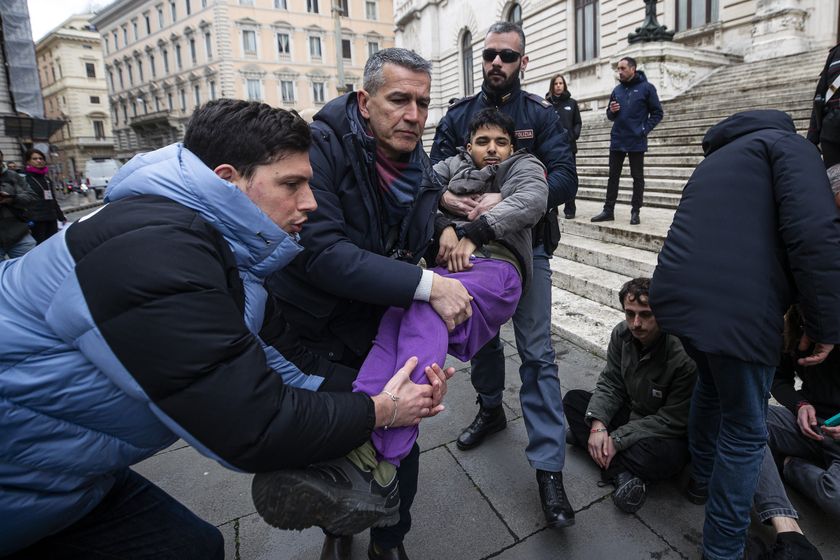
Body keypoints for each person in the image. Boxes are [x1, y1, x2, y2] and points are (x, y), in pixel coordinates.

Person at [0, 99, 452, 558]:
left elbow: (289, 362)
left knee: (196, 546)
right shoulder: (155, 253)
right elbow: (253, 424)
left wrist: (390, 385)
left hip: (66, 472)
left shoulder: (227, 251)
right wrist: (381, 410)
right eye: (291, 185)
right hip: (17, 480)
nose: (311, 203)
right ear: (227, 180)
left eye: (309, 183)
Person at [259, 109, 548, 541]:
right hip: (448, 267)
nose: (492, 150)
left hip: (497, 267)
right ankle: (362, 421)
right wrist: (445, 219)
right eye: (482, 141)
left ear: (513, 146)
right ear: (467, 146)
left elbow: (531, 199)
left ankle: (383, 459)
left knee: (425, 308)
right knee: (400, 310)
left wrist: (475, 229)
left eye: (501, 142)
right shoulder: (448, 166)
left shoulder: (524, 166)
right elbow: (426, 192)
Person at [268, 48, 472, 560]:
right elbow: (324, 255)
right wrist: (429, 285)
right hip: (320, 332)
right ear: (364, 101)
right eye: (399, 99)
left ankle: (389, 539)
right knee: (338, 432)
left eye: (423, 103)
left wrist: (447, 228)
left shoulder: (416, 158)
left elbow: (416, 223)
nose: (414, 115)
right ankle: (338, 528)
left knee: (403, 435)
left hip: (380, 323)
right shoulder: (320, 148)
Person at [650, 109, 840, 560]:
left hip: (679, 300)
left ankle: (700, 479)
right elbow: (813, 234)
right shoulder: (791, 147)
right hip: (737, 309)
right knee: (745, 432)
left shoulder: (718, 158)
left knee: (713, 389)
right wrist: (825, 324)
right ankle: (722, 550)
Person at [430, 21, 579, 530]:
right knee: (484, 343)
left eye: (507, 56)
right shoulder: (457, 117)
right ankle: (491, 408)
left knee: (537, 353)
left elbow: (564, 176)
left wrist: (505, 199)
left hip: (528, 248)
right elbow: (432, 176)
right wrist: (452, 212)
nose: (497, 62)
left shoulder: (541, 115)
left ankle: (549, 469)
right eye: (490, 54)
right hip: (467, 252)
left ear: (523, 62)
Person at [563, 277, 696, 513]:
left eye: (646, 314)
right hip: (631, 413)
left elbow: (673, 419)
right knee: (573, 401)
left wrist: (616, 438)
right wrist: (598, 425)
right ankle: (623, 472)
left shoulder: (683, 354)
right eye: (630, 313)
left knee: (661, 458)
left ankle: (596, 449)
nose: (636, 323)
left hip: (664, 432)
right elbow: (611, 383)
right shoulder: (622, 334)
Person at [747, 304, 833, 560]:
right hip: (807, 422)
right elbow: (779, 378)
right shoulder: (792, 327)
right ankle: (789, 531)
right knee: (742, 422)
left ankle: (788, 463)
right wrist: (800, 404)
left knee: (836, 496)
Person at [591, 56, 663, 225]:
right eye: (618, 69)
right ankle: (608, 211)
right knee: (612, 176)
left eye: (623, 68)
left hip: (636, 140)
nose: (620, 72)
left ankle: (635, 211)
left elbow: (658, 113)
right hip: (617, 139)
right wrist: (612, 111)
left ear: (633, 69)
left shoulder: (647, 88)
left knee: (637, 177)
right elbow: (610, 115)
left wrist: (644, 129)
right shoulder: (617, 90)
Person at [545, 74, 581, 219]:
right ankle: (553, 208)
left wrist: (574, 135)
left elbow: (577, 121)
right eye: (556, 83)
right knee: (551, 178)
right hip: (550, 148)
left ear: (564, 85)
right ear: (552, 86)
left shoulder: (572, 103)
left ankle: (570, 209)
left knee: (568, 177)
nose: (558, 86)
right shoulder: (546, 104)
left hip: (568, 147)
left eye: (561, 83)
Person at [22, 148, 66, 244]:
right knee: (39, 246)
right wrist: (26, 222)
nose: (39, 161)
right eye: (35, 159)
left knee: (52, 244)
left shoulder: (46, 178)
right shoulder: (24, 178)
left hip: (51, 217)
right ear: (28, 161)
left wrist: (61, 216)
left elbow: (53, 199)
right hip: (35, 220)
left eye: (41, 158)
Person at [807, 43, 840, 168]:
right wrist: (812, 140)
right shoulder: (835, 53)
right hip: (832, 133)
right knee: (833, 183)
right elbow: (820, 97)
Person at [0, 150, 38, 260]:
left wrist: (12, 199)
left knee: (32, 268)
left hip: (19, 235)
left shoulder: (12, 176)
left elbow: (32, 198)